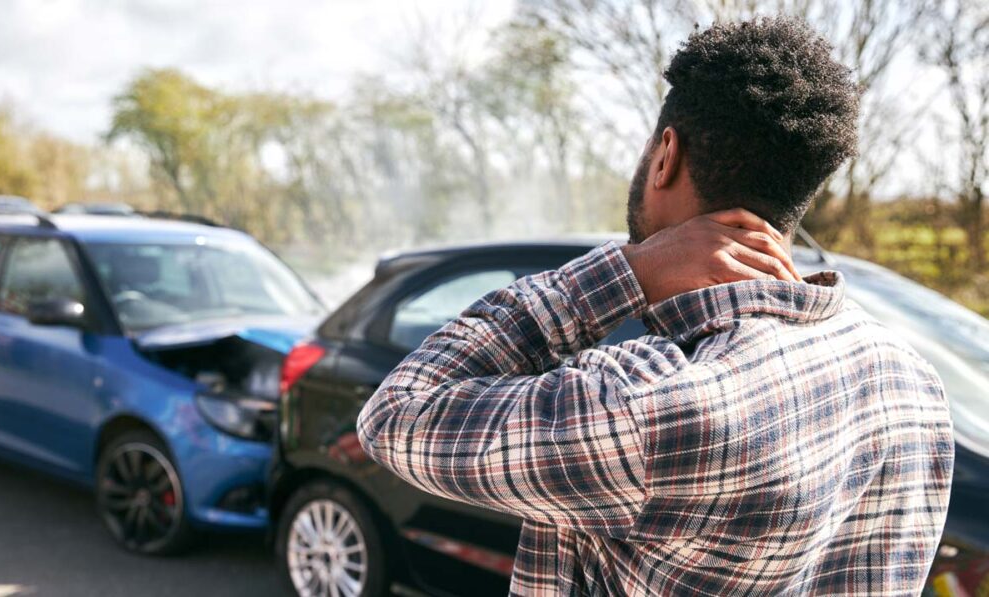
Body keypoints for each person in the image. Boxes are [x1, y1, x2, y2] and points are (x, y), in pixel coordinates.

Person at [357, 16, 954, 596]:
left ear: (666, 154)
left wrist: (628, 271)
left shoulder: (648, 404)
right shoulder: (911, 381)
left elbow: (396, 415)